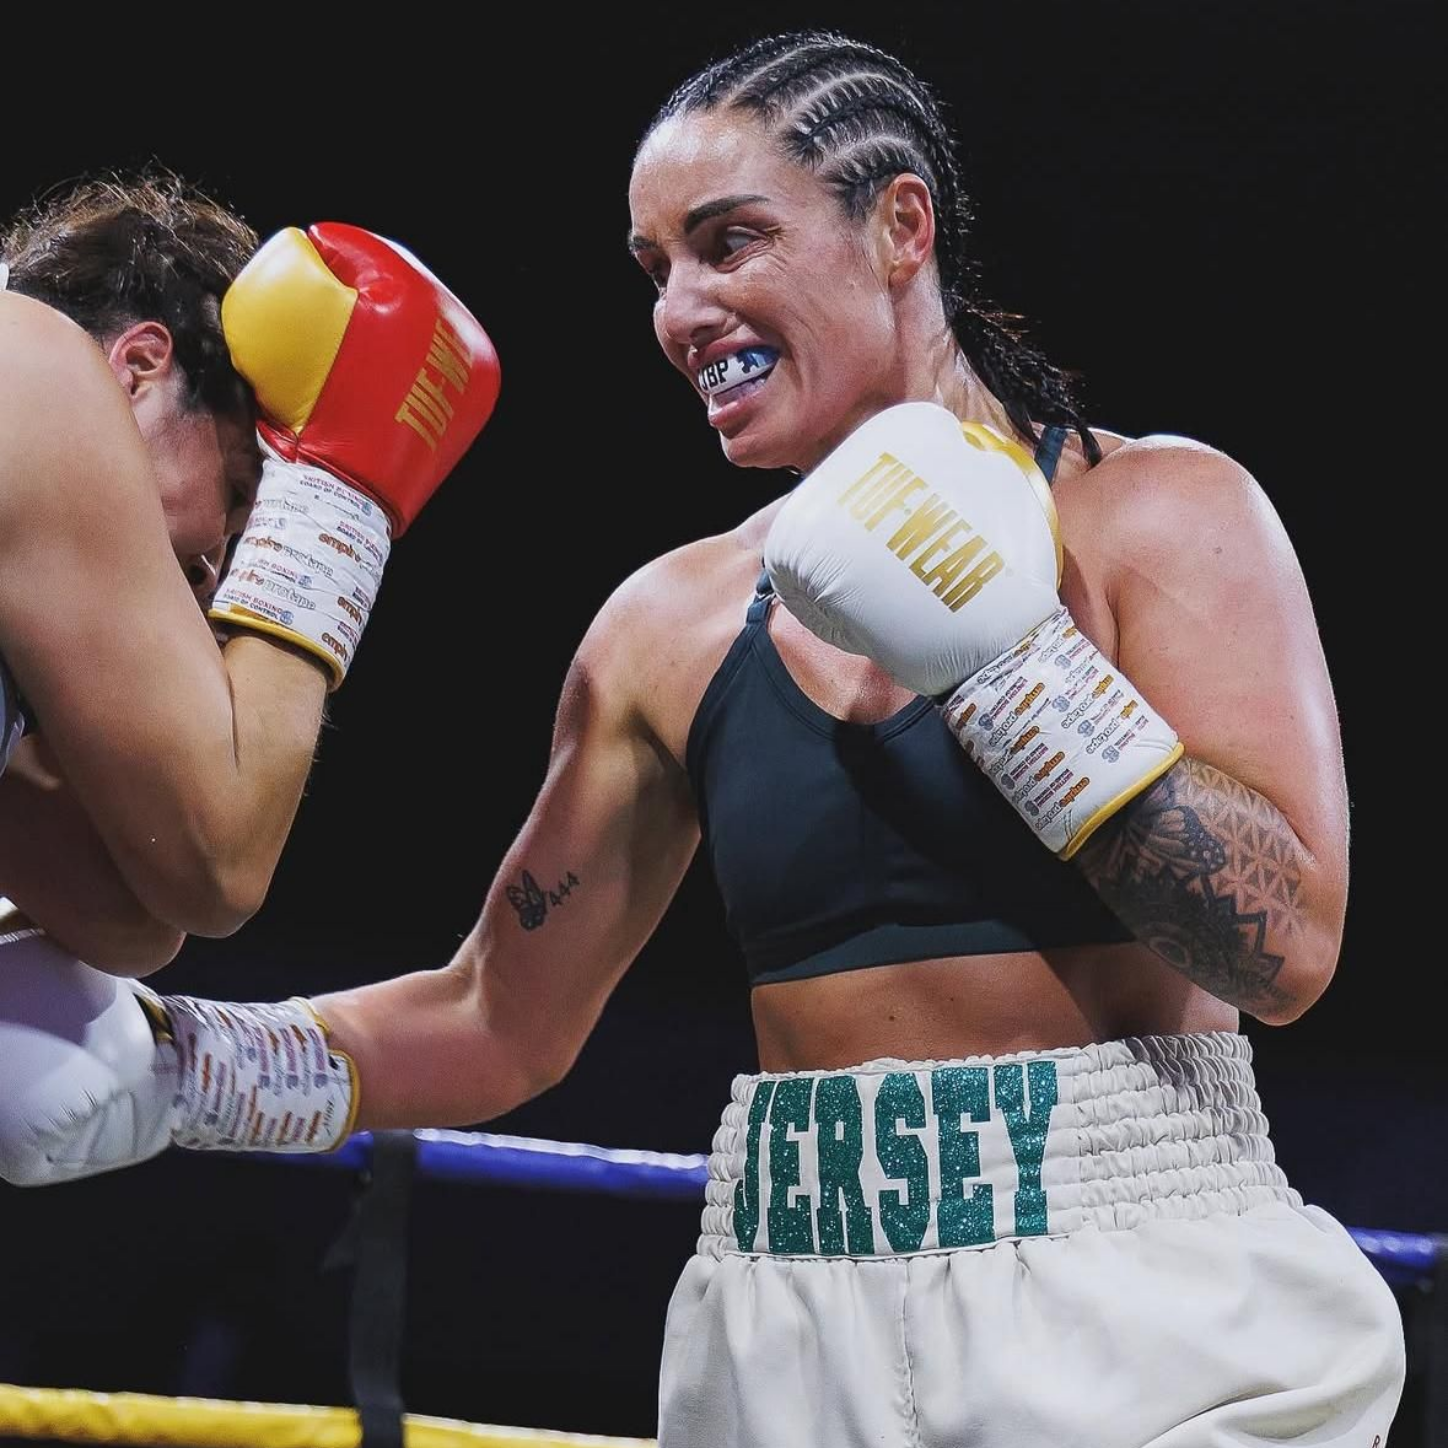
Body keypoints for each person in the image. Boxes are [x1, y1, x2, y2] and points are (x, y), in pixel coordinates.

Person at [0, 31, 1407, 1447]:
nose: (681, 309)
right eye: (655, 268)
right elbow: (497, 1018)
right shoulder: (669, 626)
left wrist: (1015, 668)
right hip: (789, 1322)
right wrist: (187, 1071)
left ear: (898, 225)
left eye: (728, 243)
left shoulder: (1153, 514)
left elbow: (1282, 953)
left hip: (1133, 1292)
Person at [0, 169, 501, 970]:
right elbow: (219, 863)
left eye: (252, 530)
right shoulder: (32, 359)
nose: (216, 569)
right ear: (137, 367)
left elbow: (133, 916)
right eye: (239, 491)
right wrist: (334, 504)